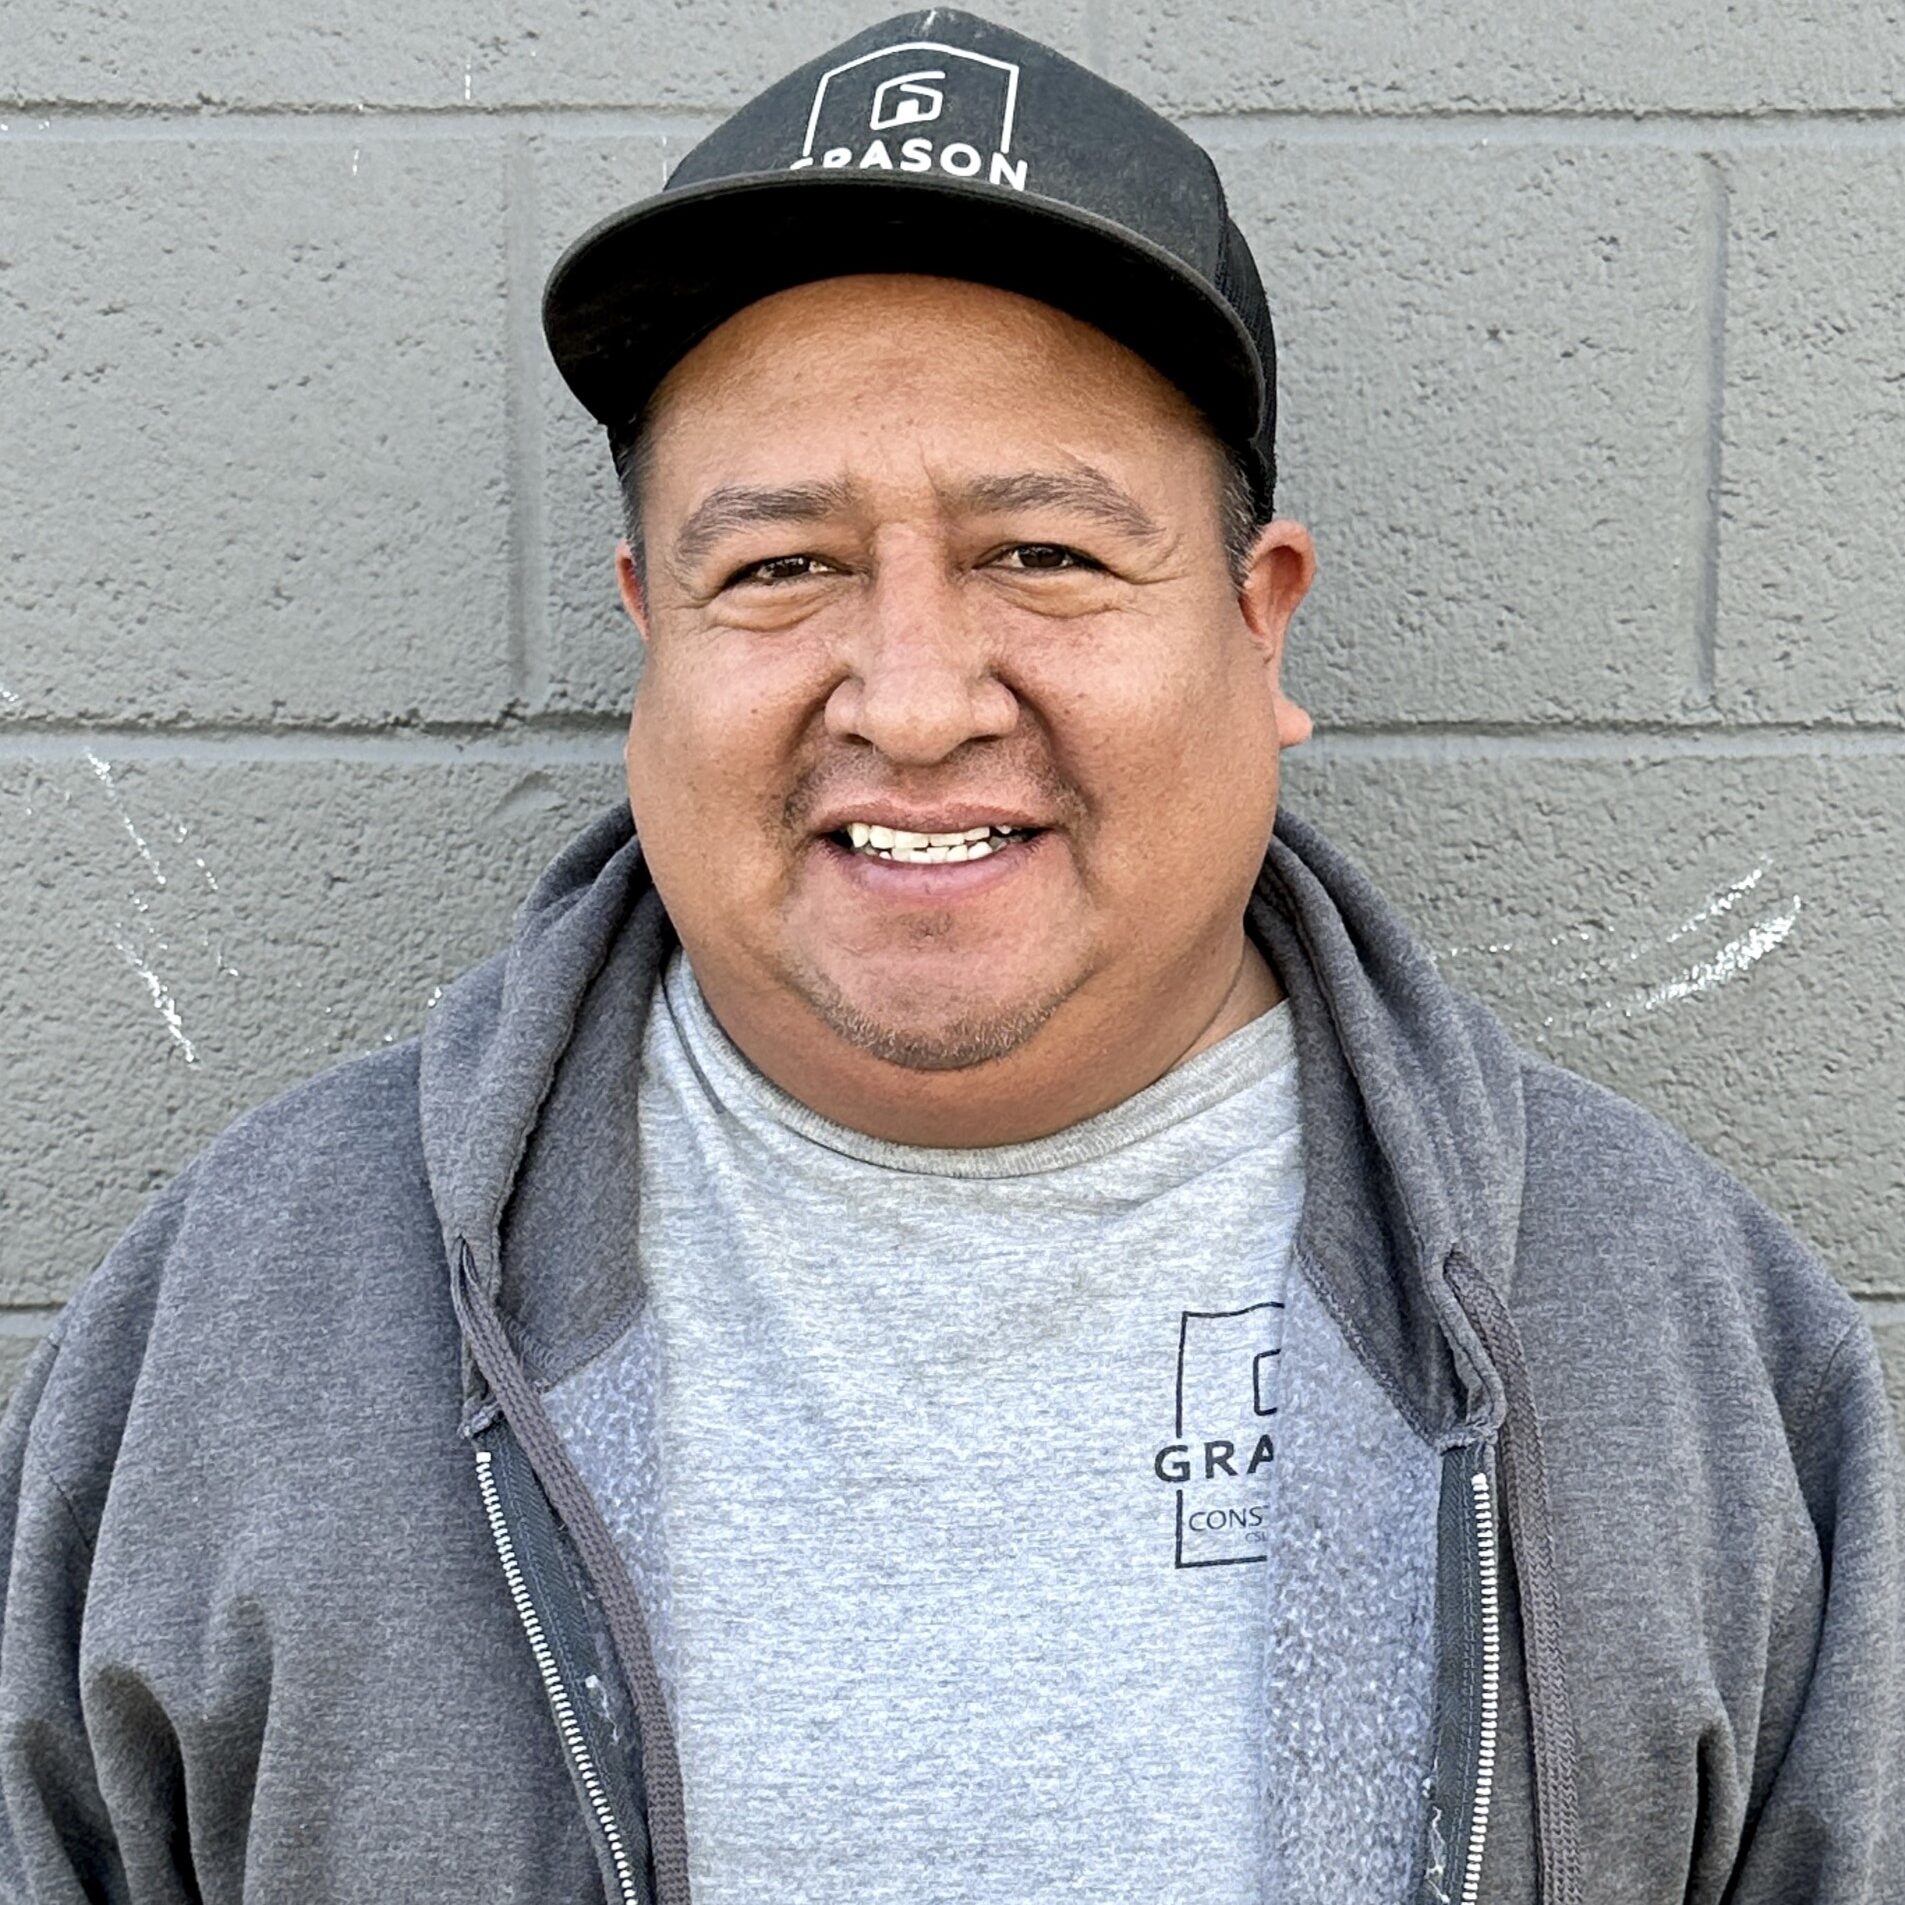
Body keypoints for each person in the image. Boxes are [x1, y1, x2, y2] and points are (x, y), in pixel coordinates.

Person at [2, 9, 1899, 1902]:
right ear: (647, 625)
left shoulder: (1674, 1334)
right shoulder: (239, 1325)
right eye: (780, 568)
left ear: (1260, 624)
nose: (910, 702)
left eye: (1042, 555)